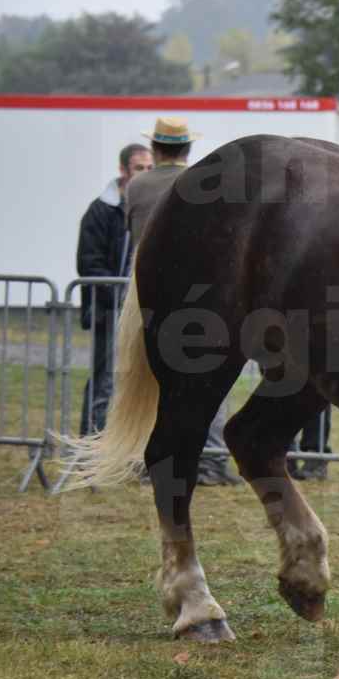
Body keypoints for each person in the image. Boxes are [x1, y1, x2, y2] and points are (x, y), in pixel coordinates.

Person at [125, 117, 240, 487]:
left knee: (152, 378)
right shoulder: (202, 182)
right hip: (201, 290)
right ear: (187, 149)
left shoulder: (138, 185)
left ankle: (149, 458)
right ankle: (211, 459)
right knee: (211, 377)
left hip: (149, 288)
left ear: (156, 149)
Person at [75, 143, 152, 434]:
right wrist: (122, 299)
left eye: (149, 168)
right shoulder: (101, 210)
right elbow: (90, 263)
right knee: (106, 381)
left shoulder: (152, 207)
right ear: (123, 170)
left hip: (145, 311)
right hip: (109, 312)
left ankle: (130, 452)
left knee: (141, 384)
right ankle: (91, 443)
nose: (145, 174)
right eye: (138, 168)